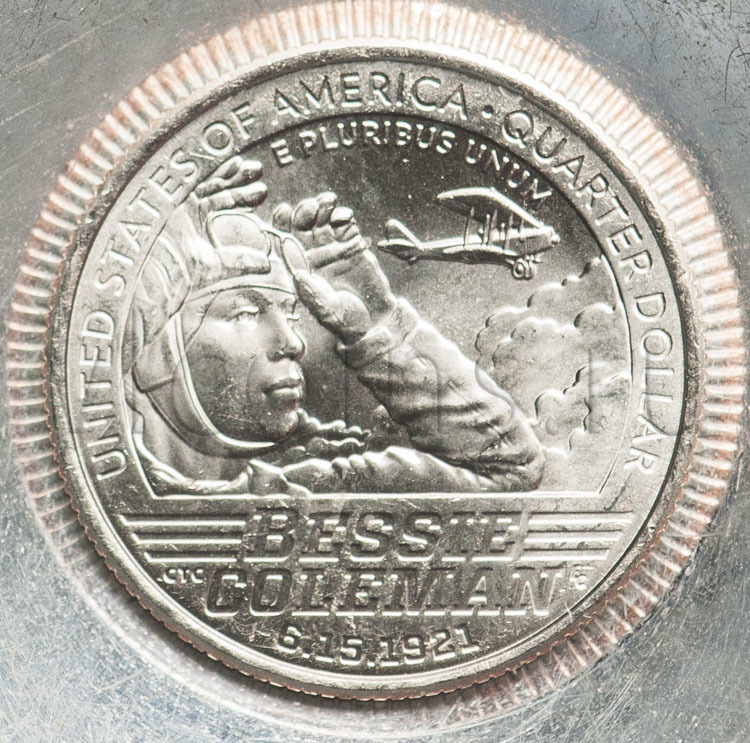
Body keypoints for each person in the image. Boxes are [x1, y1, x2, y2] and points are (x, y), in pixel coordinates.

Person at [124, 157, 544, 496]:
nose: (293, 342)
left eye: (291, 313)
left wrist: (378, 327)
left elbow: (512, 468)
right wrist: (132, 298)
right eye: (245, 314)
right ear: (158, 348)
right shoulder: (112, 486)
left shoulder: (314, 493)